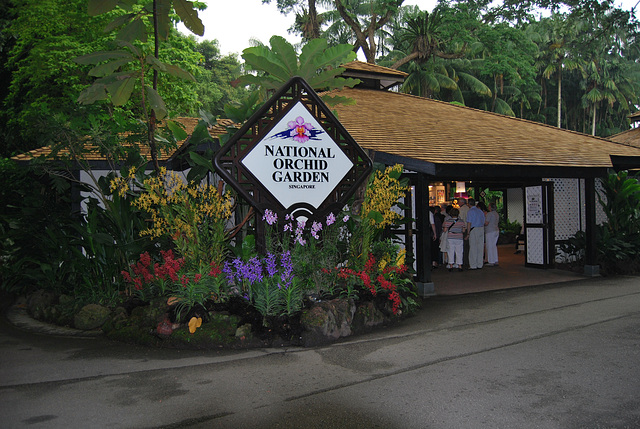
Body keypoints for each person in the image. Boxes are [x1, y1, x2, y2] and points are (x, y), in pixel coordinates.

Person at [466, 197, 485, 270]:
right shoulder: (480, 211)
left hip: (474, 229)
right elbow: (483, 220)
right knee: (480, 247)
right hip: (481, 228)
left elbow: (469, 223)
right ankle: (479, 264)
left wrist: (468, 233)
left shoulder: (470, 211)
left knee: (473, 247)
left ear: (469, 204)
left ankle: (473, 264)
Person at [484, 202, 500, 266]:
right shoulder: (496, 214)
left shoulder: (489, 214)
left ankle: (491, 261)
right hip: (496, 230)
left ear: (490, 207)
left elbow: (486, 223)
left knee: (489, 246)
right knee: (494, 245)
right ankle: (495, 259)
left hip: (490, 231)